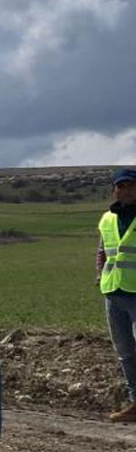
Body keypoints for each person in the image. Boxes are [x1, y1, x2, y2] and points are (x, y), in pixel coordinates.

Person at [97, 168, 136, 422]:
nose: (125, 190)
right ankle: (135, 404)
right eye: (120, 186)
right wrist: (100, 274)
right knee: (126, 351)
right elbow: (102, 251)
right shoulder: (107, 219)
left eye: (131, 186)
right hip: (114, 292)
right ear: (114, 189)